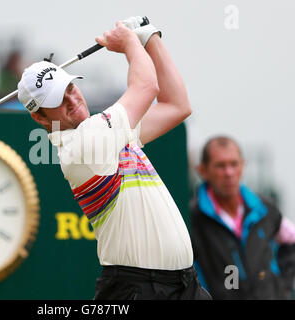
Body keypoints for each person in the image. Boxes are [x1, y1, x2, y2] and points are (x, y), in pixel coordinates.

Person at [17, 16, 210, 300]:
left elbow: (176, 105)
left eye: (71, 88)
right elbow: (146, 88)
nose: (73, 100)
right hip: (138, 288)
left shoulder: (106, 131)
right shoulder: (83, 144)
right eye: (58, 100)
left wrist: (150, 38)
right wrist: (130, 43)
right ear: (39, 117)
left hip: (185, 285)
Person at [191, 136, 295, 299]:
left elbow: (291, 240)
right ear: (203, 171)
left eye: (234, 164)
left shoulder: (265, 209)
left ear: (243, 165)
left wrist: (283, 288)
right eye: (220, 166)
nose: (229, 172)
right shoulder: (192, 218)